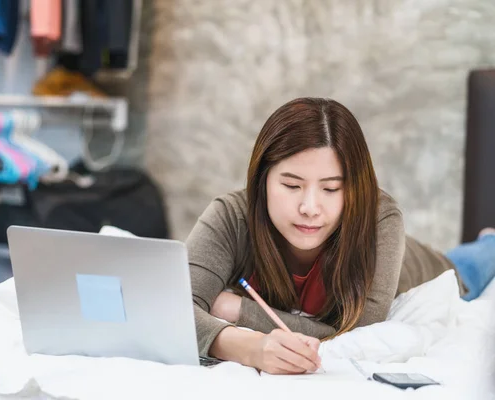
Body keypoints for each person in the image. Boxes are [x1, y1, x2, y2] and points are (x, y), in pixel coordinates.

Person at [186, 97, 495, 375]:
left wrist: (237, 311)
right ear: (261, 179)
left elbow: (360, 331)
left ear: (355, 190)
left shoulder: (380, 218)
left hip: (437, 270)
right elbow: (175, 309)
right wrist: (247, 347)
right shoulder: (231, 216)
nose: (309, 208)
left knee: (481, 256)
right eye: (291, 186)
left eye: (331, 189)